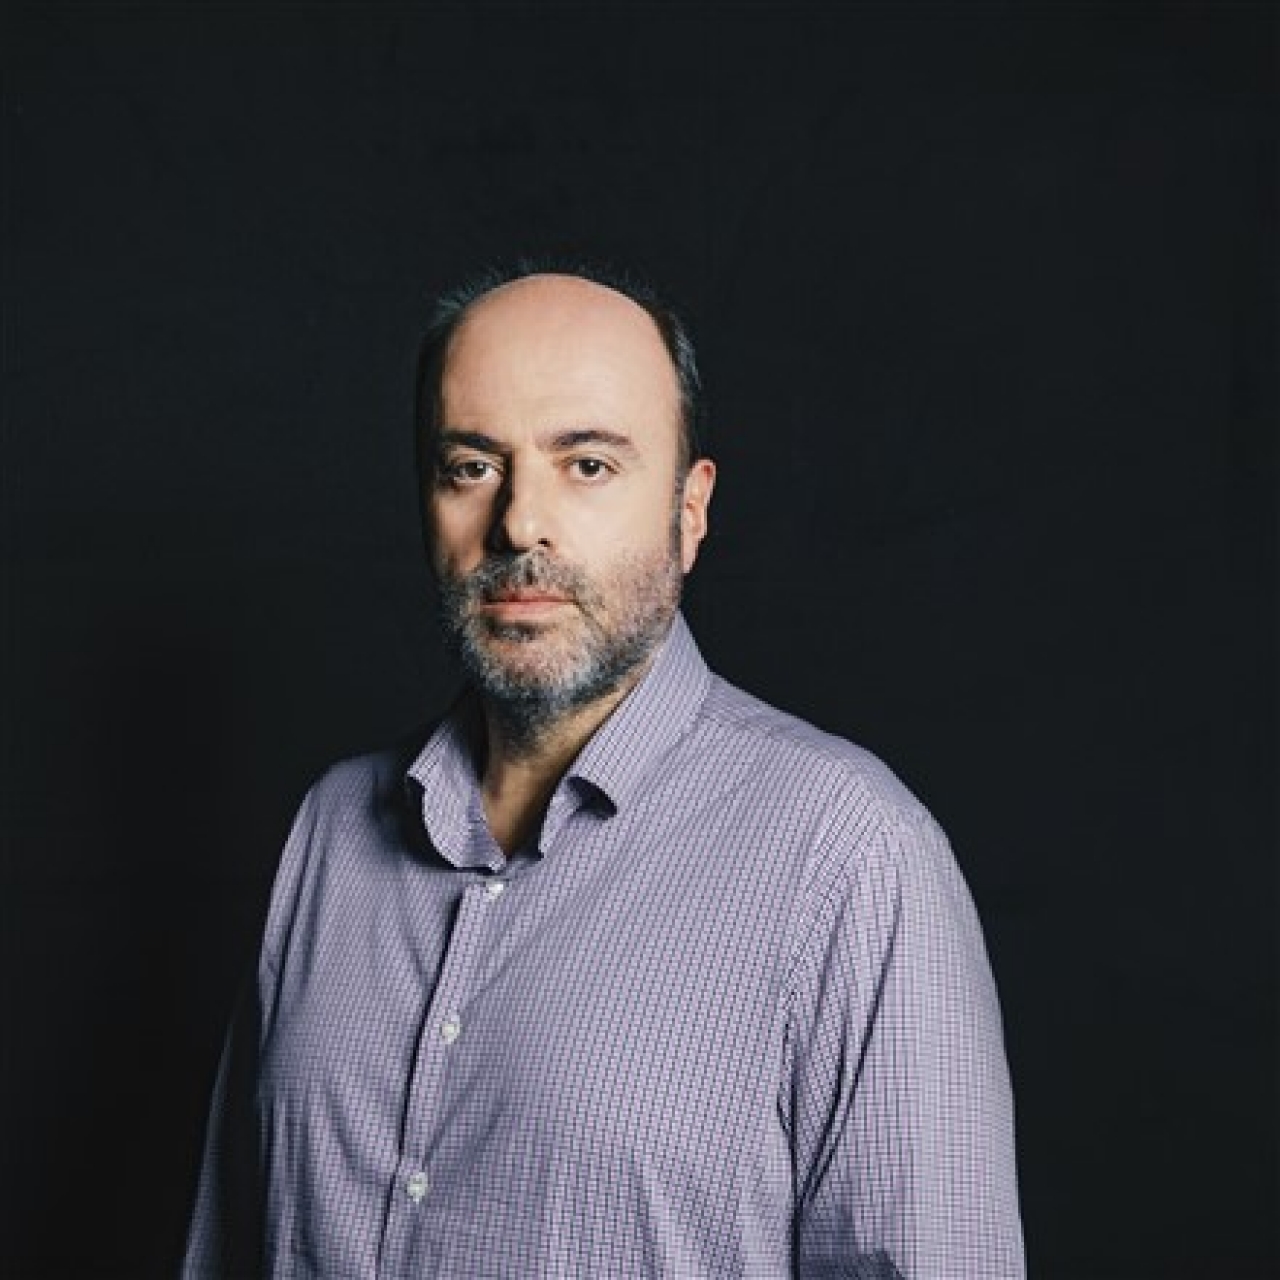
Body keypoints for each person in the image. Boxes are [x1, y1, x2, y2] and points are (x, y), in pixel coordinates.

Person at [183, 261, 1025, 1278]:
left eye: (585, 464)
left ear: (689, 508)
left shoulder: (851, 857)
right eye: (471, 465)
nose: (518, 523)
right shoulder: (330, 830)